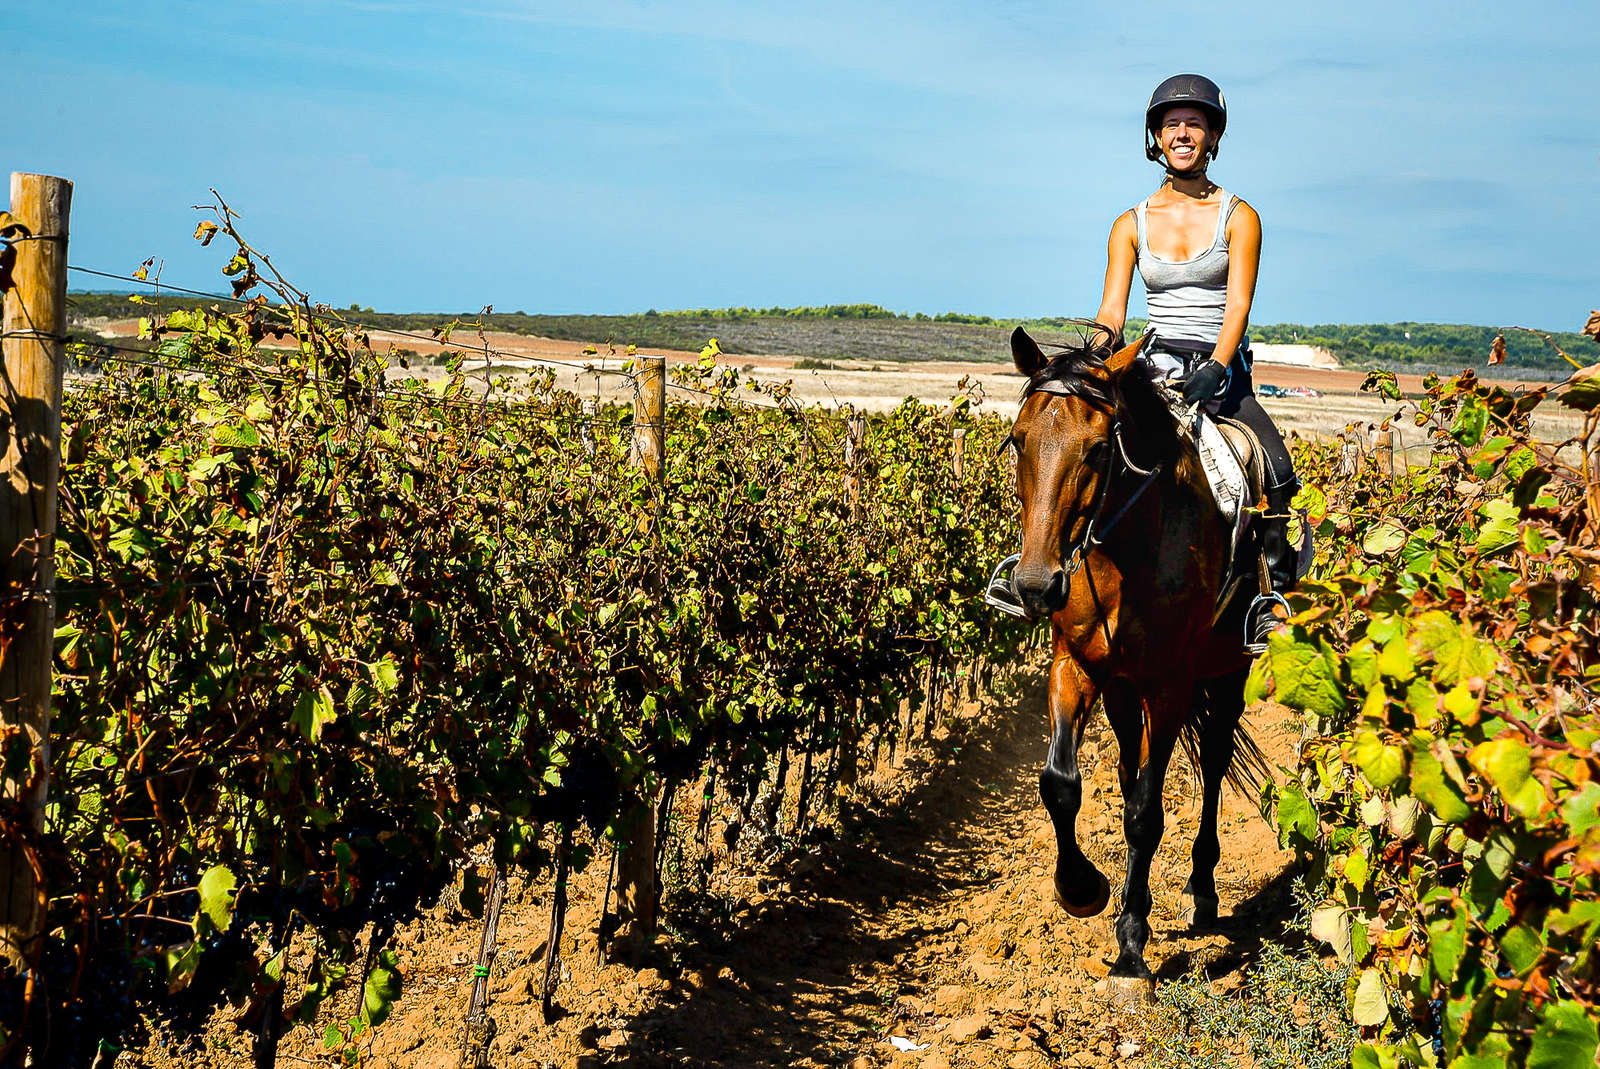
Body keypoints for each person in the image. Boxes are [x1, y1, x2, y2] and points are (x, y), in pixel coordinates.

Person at [1093, 73, 1298, 646]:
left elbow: (1239, 302)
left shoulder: (1240, 215)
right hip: (1154, 372)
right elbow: (1113, 311)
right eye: (1171, 124)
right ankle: (1048, 575)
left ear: (1212, 136)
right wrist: (1097, 354)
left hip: (1220, 372)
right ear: (1155, 136)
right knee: (1082, 452)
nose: (1182, 133)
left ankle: (1270, 598)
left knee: (1277, 471)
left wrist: (1219, 365)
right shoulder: (1128, 224)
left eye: (1195, 124)